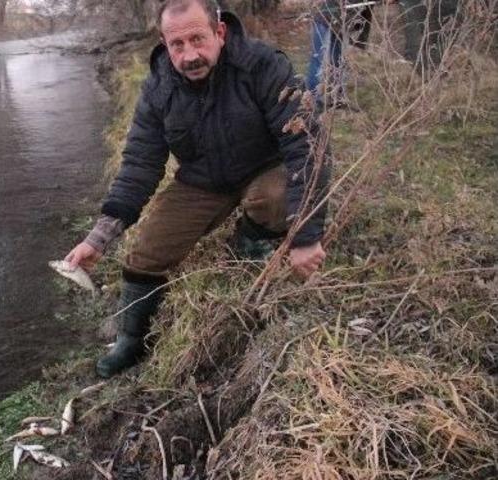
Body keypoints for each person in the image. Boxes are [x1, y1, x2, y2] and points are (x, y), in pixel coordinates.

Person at [63, 0, 331, 378]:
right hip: (203, 181)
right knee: (145, 254)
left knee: (272, 197)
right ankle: (132, 339)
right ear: (164, 43)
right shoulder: (158, 88)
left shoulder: (263, 65)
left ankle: (252, 238)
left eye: (197, 39)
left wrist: (306, 236)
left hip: (264, 168)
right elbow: (140, 164)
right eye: (177, 45)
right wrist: (98, 238)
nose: (190, 55)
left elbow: (306, 146)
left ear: (219, 32)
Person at [306, 0, 375, 110]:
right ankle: (311, 101)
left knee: (337, 61)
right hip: (325, 18)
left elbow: (366, 13)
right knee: (318, 60)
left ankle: (337, 98)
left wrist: (360, 40)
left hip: (339, 25)